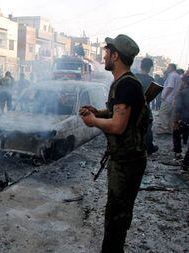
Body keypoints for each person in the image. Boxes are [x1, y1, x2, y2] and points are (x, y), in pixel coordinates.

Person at [79, 34, 148, 253]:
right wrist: (96, 111)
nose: (104, 56)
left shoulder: (127, 85)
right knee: (116, 213)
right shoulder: (122, 83)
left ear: (115, 55)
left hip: (128, 163)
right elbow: (117, 113)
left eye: (107, 52)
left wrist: (93, 122)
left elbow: (118, 126)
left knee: (116, 218)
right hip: (124, 160)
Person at [135, 57, 158, 155]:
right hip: (145, 108)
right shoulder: (151, 80)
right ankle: (149, 148)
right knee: (148, 128)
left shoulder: (134, 77)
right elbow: (152, 97)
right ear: (150, 68)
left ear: (141, 66)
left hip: (133, 107)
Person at [158, 63, 180, 134]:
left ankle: (165, 128)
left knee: (163, 113)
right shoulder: (177, 75)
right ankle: (170, 129)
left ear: (171, 68)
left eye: (168, 67)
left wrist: (164, 96)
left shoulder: (172, 75)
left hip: (168, 98)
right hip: (174, 99)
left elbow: (170, 87)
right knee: (170, 115)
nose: (167, 68)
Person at [173, 75, 189, 165]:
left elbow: (177, 109)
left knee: (176, 134)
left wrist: (175, 122)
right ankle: (186, 162)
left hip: (183, 119)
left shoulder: (182, 93)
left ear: (184, 82)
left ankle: (178, 154)